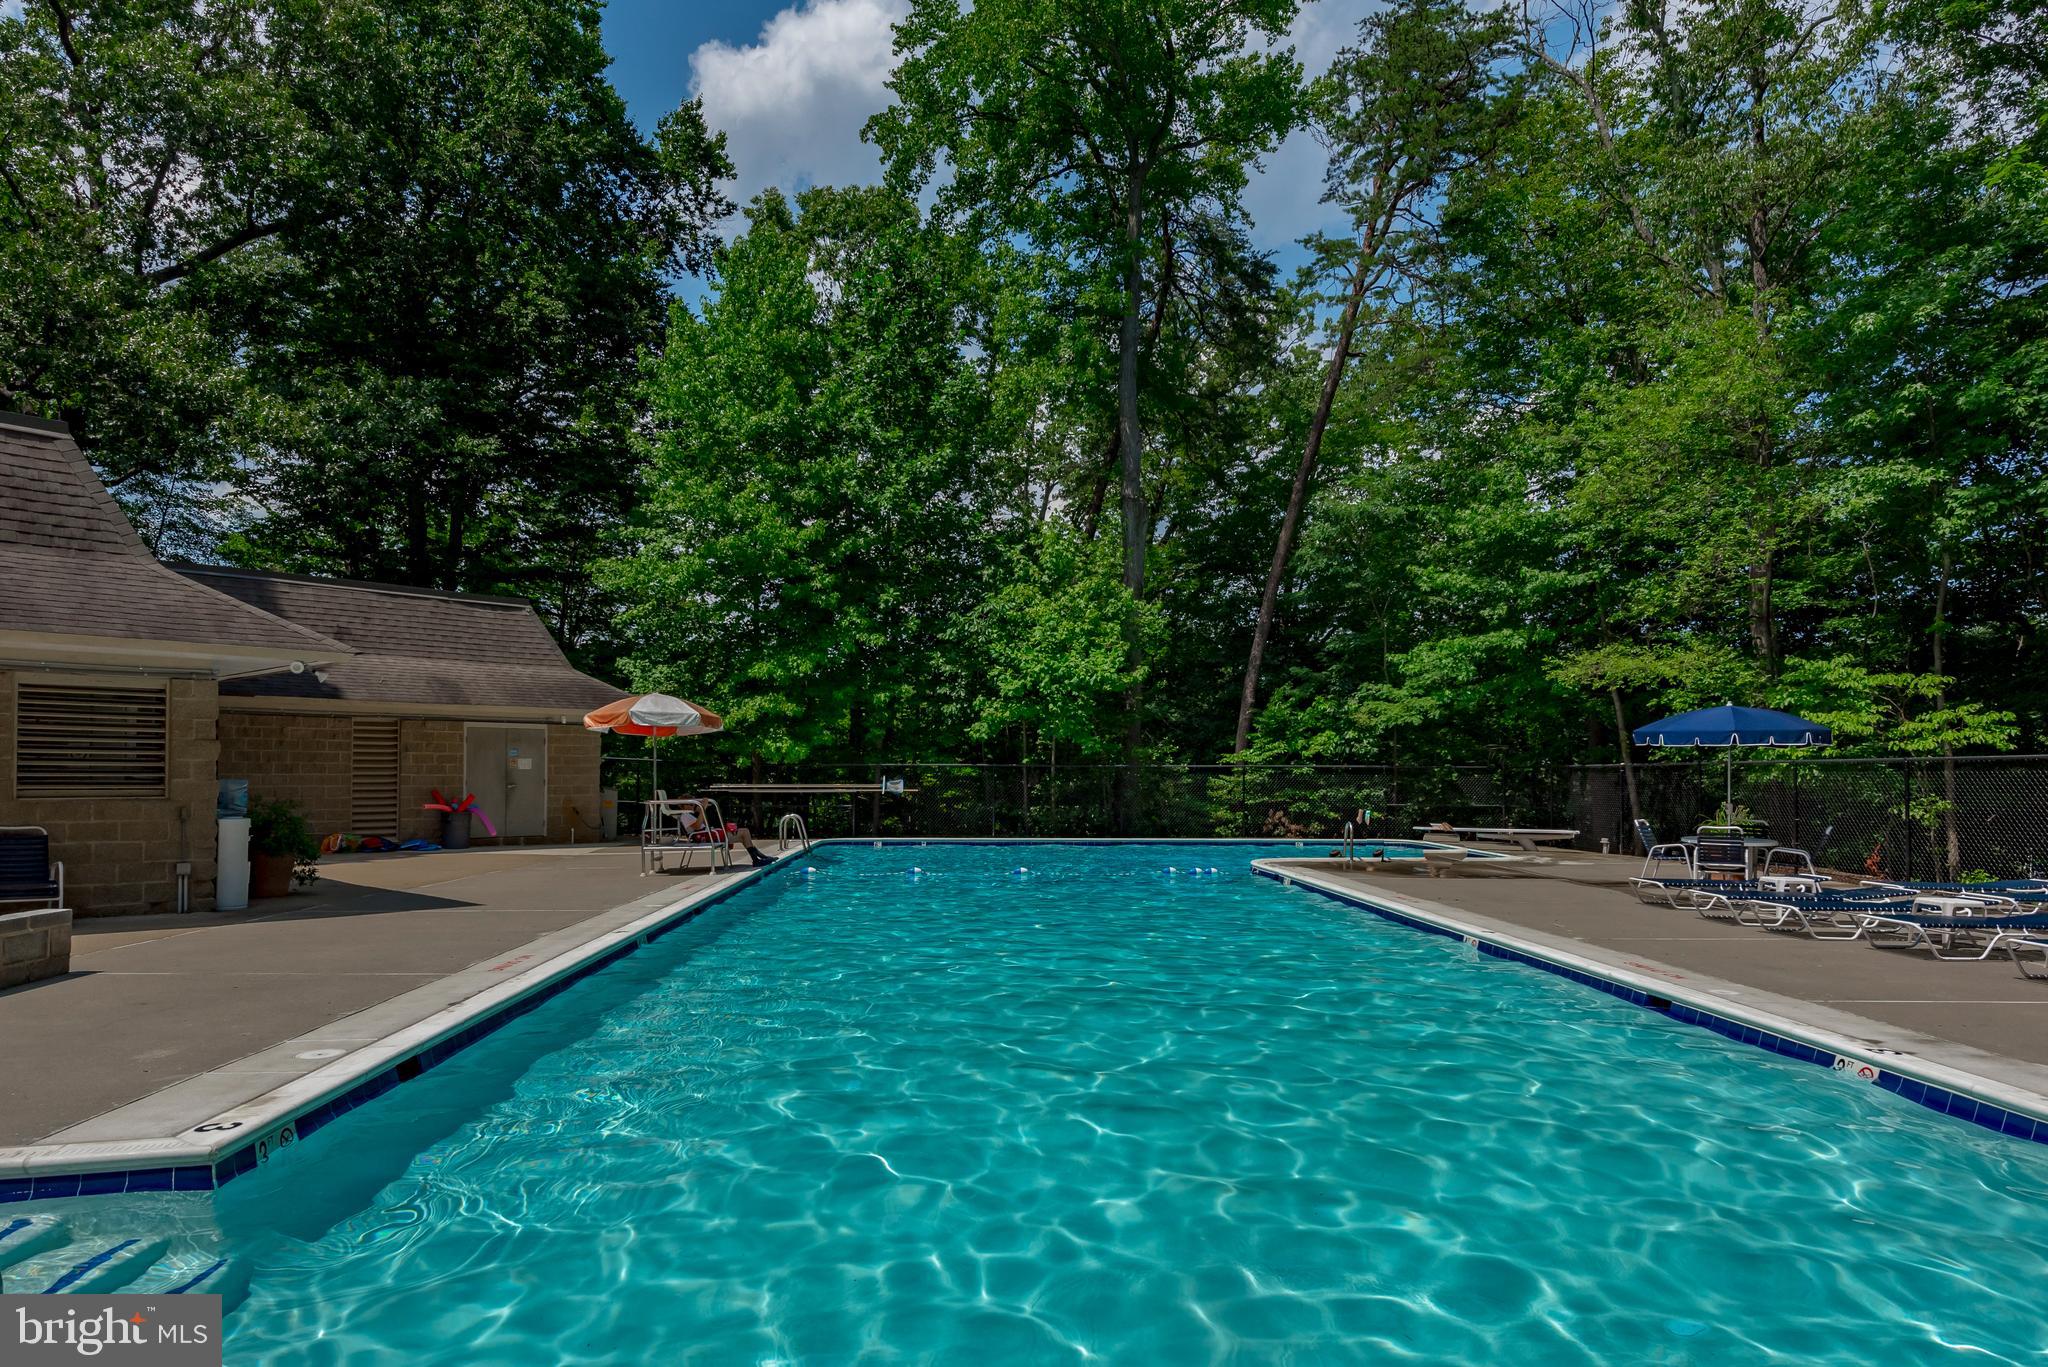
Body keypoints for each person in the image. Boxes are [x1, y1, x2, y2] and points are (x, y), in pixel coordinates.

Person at [677, 801, 773, 867]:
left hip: (706, 835)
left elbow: (703, 825)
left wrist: (701, 812)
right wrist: (702, 809)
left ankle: (759, 858)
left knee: (743, 836)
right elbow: (697, 827)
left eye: (693, 804)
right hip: (703, 837)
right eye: (691, 804)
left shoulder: (689, 815)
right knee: (745, 832)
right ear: (684, 806)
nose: (693, 806)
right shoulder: (685, 815)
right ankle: (757, 860)